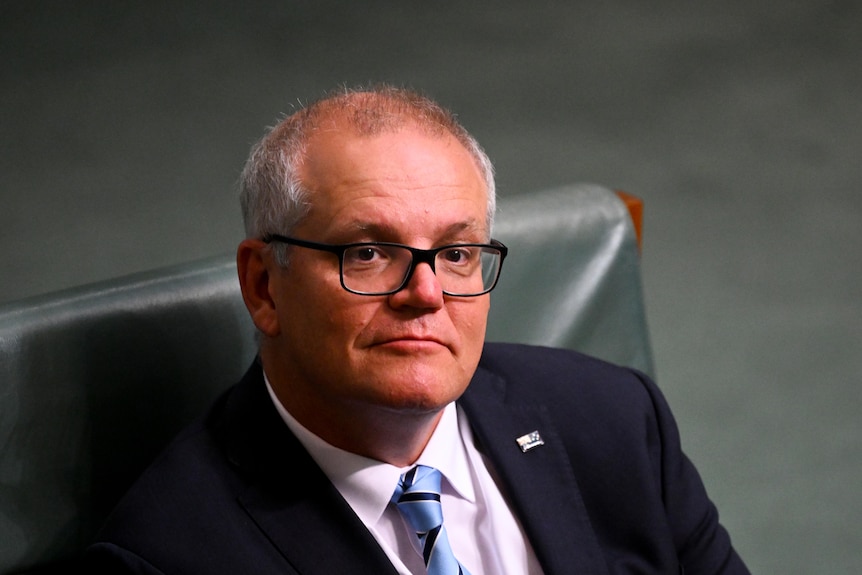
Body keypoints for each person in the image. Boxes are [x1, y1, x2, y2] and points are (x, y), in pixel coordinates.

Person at [84, 85, 750, 574]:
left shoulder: (617, 421)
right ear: (264, 285)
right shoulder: (164, 558)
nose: (425, 293)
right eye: (369, 253)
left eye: (457, 253)